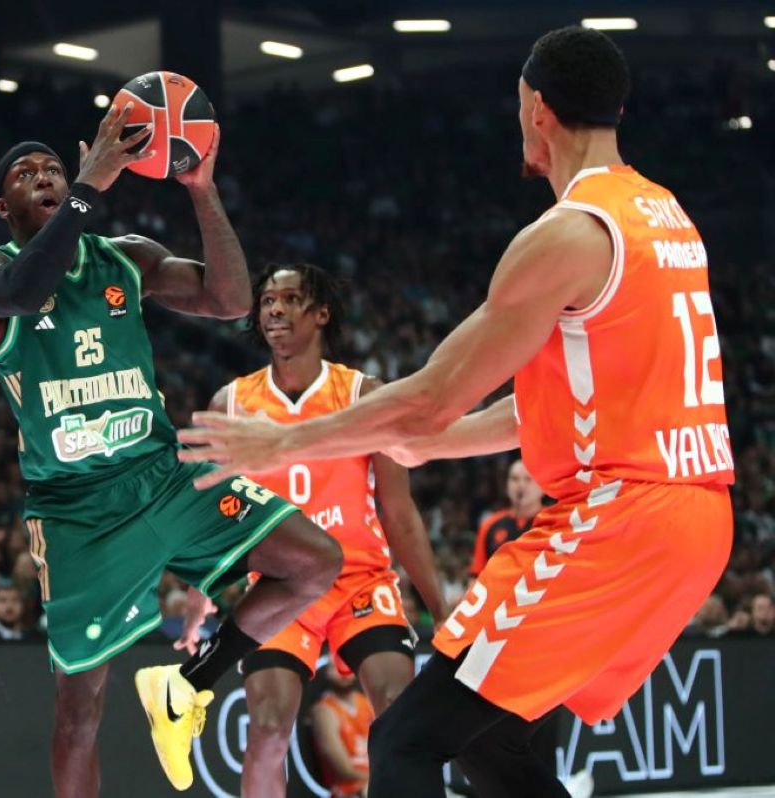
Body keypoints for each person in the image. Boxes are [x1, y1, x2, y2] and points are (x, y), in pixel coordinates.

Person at [178, 26, 734, 797]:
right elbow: (551, 408)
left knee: (405, 738)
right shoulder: (664, 215)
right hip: (698, 521)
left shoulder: (567, 233)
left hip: (619, 519)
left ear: (536, 109)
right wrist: (431, 447)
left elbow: (432, 396)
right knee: (491, 741)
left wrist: (283, 442)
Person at [0, 103, 342, 794]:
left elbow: (230, 300)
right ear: (2, 206)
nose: (44, 176)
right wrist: (86, 188)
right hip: (78, 512)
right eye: (26, 173)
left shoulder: (125, 257)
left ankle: (188, 684)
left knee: (315, 562)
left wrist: (202, 189)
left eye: (53, 168)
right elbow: (22, 293)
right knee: (80, 711)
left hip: (163, 476)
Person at [180, 263, 443, 796]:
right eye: (267, 301)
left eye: (290, 298)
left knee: (398, 714)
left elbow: (398, 511)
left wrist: (441, 609)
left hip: (360, 581)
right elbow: (212, 514)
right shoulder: (232, 403)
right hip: (282, 588)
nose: (274, 309)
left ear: (321, 313)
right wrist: (197, 593)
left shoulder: (364, 394)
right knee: (268, 727)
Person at [470, 460, 542, 579]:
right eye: (515, 479)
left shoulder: (556, 521)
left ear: (543, 486)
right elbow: (477, 576)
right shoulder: (490, 525)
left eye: (528, 479)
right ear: (506, 486)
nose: (521, 485)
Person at [312, 662, 376, 798]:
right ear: (326, 672)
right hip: (348, 789)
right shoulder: (324, 711)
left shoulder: (367, 703)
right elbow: (343, 770)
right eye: (335, 666)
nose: (342, 672)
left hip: (375, 779)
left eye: (346, 664)